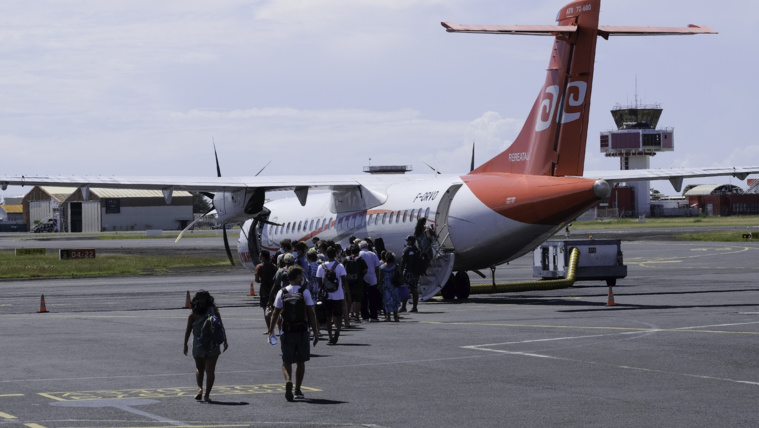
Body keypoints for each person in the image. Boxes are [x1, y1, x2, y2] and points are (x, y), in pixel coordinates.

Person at [268, 266, 320, 401]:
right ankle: (297, 389)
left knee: (286, 361)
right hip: (302, 331)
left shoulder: (282, 292)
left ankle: (288, 380)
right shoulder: (305, 292)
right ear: (297, 277)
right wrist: (315, 331)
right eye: (301, 276)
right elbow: (311, 313)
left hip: (287, 331)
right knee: (300, 361)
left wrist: (271, 329)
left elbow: (275, 313)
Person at [183, 290, 229, 402]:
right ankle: (207, 395)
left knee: (199, 367)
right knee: (210, 370)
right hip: (213, 344)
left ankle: (199, 389)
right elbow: (221, 327)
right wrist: (225, 340)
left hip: (198, 344)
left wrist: (185, 344)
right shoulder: (214, 312)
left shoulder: (193, 313)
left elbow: (188, 329)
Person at [316, 246, 348, 344]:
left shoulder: (321, 267)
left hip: (326, 296)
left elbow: (319, 282)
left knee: (328, 317)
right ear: (335, 255)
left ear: (326, 255)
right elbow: (343, 280)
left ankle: (330, 336)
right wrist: (345, 290)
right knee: (338, 315)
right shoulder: (340, 266)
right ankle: (337, 330)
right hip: (338, 295)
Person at [358, 240, 382, 322]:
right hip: (372, 278)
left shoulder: (359, 254)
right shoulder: (373, 254)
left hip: (363, 278)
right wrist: (378, 278)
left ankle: (365, 316)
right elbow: (377, 267)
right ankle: (374, 316)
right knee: (373, 298)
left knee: (364, 298)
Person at [255, 250, 277, 334]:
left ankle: (270, 329)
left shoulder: (259, 267)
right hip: (274, 291)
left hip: (264, 291)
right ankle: (280, 327)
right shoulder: (274, 266)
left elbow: (257, 279)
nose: (259, 258)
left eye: (260, 256)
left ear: (263, 257)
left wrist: (262, 279)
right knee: (276, 311)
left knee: (266, 311)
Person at [379, 251, 402, 322]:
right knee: (395, 299)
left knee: (387, 300)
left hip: (386, 285)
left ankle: (388, 316)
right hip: (394, 285)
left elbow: (380, 278)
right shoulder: (396, 266)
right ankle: (396, 316)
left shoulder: (382, 267)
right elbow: (400, 274)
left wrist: (380, 285)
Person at [400, 235, 421, 313]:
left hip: (408, 271)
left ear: (409, 241)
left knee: (405, 288)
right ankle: (415, 307)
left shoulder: (407, 249)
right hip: (415, 273)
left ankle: (403, 307)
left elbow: (403, 261)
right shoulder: (417, 250)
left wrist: (400, 271)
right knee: (414, 289)